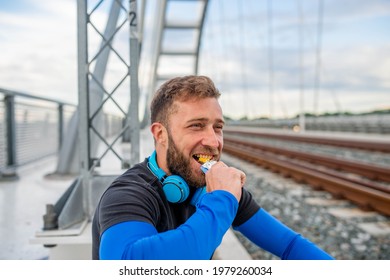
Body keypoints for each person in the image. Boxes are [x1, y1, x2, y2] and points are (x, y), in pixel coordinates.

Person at [92, 75, 334, 260]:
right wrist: (221, 200)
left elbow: (289, 245)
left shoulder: (212, 185)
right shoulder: (127, 194)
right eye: (196, 126)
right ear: (160, 134)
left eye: (217, 127)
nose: (213, 141)